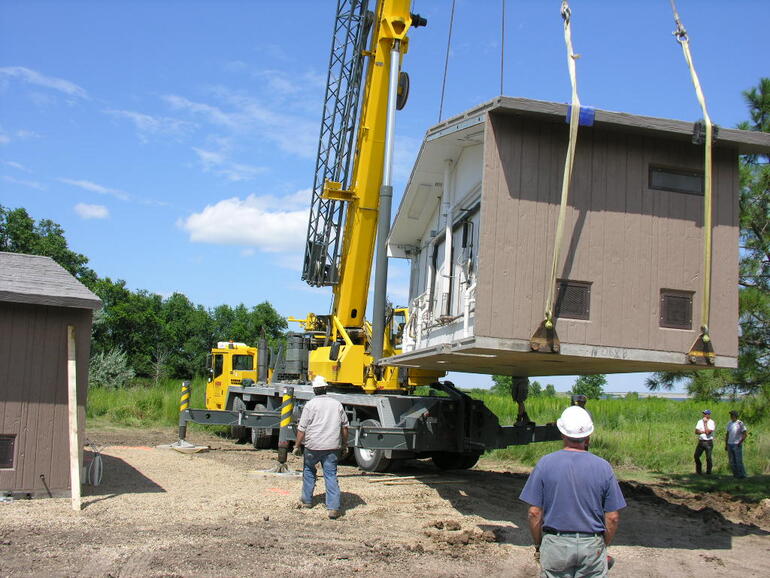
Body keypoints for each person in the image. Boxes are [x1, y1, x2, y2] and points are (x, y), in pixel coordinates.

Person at [520, 406, 626, 577]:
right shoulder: (604, 468)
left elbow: (534, 513)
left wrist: (539, 545)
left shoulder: (545, 464)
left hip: (555, 544)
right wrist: (601, 545)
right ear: (588, 436)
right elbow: (612, 517)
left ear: (562, 433)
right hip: (592, 544)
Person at [294, 375, 350, 519]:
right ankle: (333, 508)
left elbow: (302, 429)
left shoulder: (310, 405)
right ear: (326, 388)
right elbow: (345, 427)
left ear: (314, 390)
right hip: (332, 447)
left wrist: (297, 445)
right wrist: (344, 444)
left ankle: (307, 500)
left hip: (313, 446)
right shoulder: (336, 404)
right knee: (330, 475)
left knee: (309, 470)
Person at [725, 410, 748, 479]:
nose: (731, 416)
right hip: (730, 444)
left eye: (732, 415)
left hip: (737, 444)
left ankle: (742, 475)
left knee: (738, 460)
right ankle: (735, 475)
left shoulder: (740, 423)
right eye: (731, 415)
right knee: (732, 461)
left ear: (735, 416)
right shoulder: (729, 423)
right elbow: (727, 434)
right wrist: (726, 444)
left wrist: (740, 442)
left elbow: (745, 434)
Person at [694, 409, 716, 475]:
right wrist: (703, 431)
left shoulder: (712, 422)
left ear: (709, 415)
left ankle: (708, 472)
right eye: (704, 413)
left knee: (708, 458)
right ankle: (699, 471)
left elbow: (708, 432)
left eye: (706, 414)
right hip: (701, 441)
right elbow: (696, 431)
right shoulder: (699, 421)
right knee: (696, 456)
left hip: (708, 442)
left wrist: (705, 423)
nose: (704, 415)